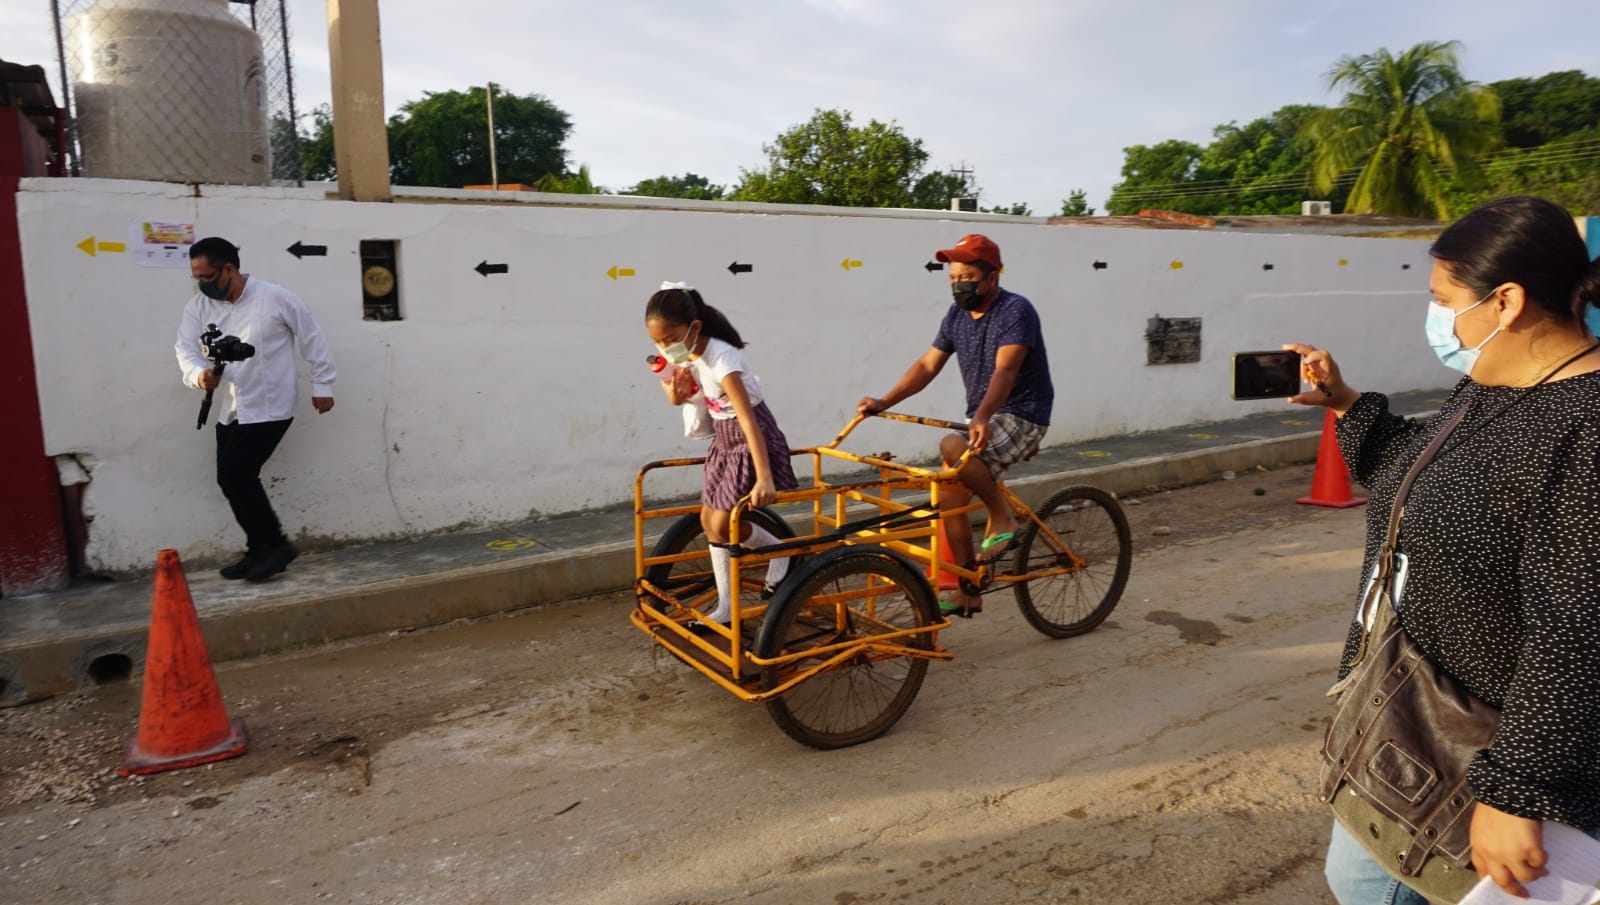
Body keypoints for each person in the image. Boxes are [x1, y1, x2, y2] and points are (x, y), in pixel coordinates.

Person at [1290, 195, 1600, 904]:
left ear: (1507, 301)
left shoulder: (1586, 429)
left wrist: (1518, 791)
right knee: (1359, 878)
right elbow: (1422, 477)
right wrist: (1345, 401)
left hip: (1487, 753)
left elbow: (1578, 626)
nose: (1433, 316)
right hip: (1409, 720)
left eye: (1441, 298)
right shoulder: (1491, 383)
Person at [857, 233, 1053, 617]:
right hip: (983, 417)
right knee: (949, 496)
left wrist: (980, 416)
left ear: (992, 278)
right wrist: (884, 401)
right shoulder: (956, 316)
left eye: (967, 278)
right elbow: (928, 365)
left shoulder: (1016, 310)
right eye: (952, 279)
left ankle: (1001, 515)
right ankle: (968, 587)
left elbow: (1007, 368)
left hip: (1022, 413)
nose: (959, 285)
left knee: (950, 446)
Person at [175, 237, 337, 582]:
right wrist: (197, 375)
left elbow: (312, 337)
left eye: (207, 276)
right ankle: (259, 548)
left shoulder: (275, 297)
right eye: (197, 278)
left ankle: (277, 546)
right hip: (232, 407)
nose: (202, 284)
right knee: (231, 479)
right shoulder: (200, 307)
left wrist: (323, 385)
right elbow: (184, 347)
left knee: (236, 474)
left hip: (271, 404)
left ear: (229, 269)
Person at [645, 282, 797, 628]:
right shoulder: (689, 356)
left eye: (670, 339)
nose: (664, 349)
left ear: (694, 328)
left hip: (750, 440)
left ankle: (782, 554)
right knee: (707, 521)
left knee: (723, 522)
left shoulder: (723, 359)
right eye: (657, 342)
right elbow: (683, 401)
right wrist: (675, 392)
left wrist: (765, 477)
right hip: (725, 444)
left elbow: (747, 419)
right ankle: (729, 604)